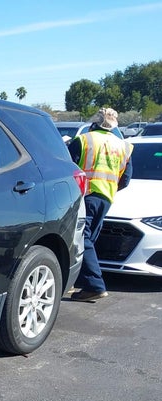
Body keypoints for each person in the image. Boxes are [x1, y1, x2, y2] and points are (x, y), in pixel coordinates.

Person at [67, 107, 133, 302]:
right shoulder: (123, 146)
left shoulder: (83, 140)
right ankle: (81, 282)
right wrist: (108, 188)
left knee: (82, 238)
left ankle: (94, 285)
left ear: (94, 123)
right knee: (89, 239)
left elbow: (67, 168)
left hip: (86, 195)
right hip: (106, 197)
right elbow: (126, 179)